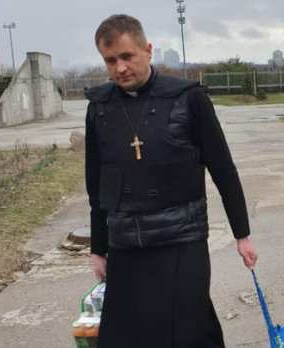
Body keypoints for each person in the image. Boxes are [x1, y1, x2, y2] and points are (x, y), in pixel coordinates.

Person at [85, 14, 257, 348]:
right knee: (127, 337)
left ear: (147, 50)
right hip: (126, 244)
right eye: (110, 60)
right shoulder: (99, 108)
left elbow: (223, 168)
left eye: (127, 56)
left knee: (186, 333)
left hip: (182, 240)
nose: (119, 68)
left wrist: (242, 235)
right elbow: (96, 184)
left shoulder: (188, 98)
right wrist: (98, 248)